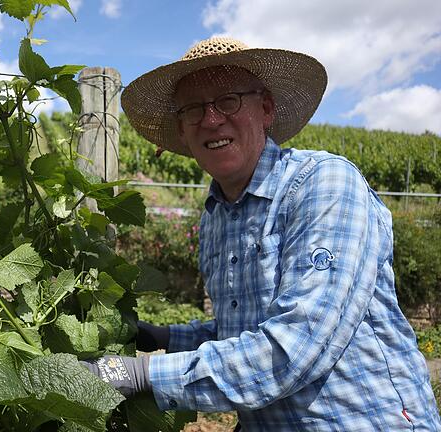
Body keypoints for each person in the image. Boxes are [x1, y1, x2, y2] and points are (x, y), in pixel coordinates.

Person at [82, 37, 441, 430]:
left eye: (229, 100)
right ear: (182, 132)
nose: (212, 119)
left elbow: (297, 346)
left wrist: (139, 373)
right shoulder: (216, 217)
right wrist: (162, 335)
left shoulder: (322, 185)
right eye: (193, 109)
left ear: (266, 109)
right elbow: (240, 330)